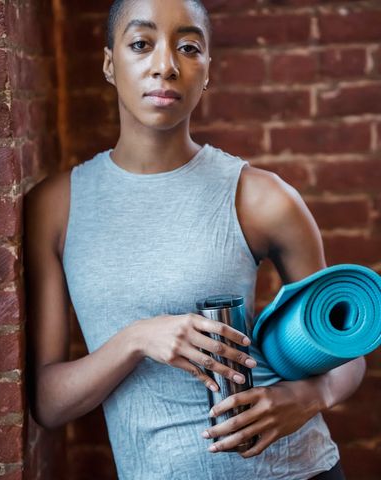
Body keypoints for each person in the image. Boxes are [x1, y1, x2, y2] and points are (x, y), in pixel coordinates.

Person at [23, 0, 366, 479]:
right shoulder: (56, 207)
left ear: (207, 71)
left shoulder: (261, 198)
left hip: (296, 471)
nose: (165, 66)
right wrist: (137, 339)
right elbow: (49, 403)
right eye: (141, 44)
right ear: (108, 64)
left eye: (188, 48)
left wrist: (307, 397)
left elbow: (348, 350)